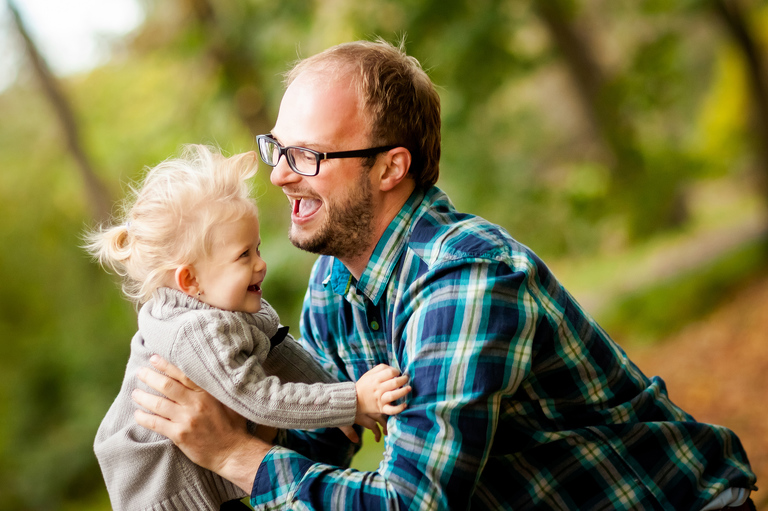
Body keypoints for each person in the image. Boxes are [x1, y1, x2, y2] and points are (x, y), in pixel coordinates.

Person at [131, 41, 758, 510]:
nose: (280, 175)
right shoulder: (332, 284)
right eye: (280, 149)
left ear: (390, 168)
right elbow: (320, 444)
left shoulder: (463, 276)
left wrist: (234, 454)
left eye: (309, 156)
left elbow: (413, 502)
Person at [85, 144, 411, 511]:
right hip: (166, 496)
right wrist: (353, 400)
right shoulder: (196, 329)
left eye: (256, 249)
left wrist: (337, 397)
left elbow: (282, 353)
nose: (261, 265)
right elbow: (260, 398)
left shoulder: (229, 305)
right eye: (244, 256)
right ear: (190, 279)